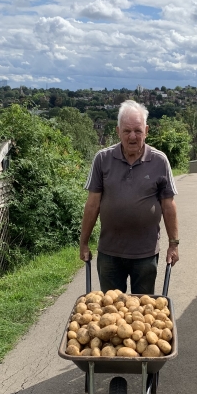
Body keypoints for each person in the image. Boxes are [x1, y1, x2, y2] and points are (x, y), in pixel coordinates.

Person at [79, 99, 179, 294]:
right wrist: (84, 243)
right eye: (127, 131)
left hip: (146, 254)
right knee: (111, 309)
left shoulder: (160, 161)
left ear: (146, 131)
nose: (132, 136)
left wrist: (173, 245)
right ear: (118, 131)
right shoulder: (102, 159)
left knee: (141, 312)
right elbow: (92, 205)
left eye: (138, 130)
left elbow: (168, 206)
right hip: (110, 253)